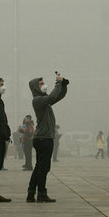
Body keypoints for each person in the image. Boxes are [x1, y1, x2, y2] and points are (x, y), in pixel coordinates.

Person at [27, 73, 68, 203]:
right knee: (44, 168)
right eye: (40, 83)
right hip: (43, 138)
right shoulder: (38, 100)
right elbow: (52, 96)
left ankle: (31, 193)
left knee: (40, 167)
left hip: (43, 138)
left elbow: (58, 96)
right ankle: (42, 194)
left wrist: (64, 86)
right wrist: (58, 83)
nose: (43, 84)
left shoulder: (44, 101)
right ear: (35, 87)